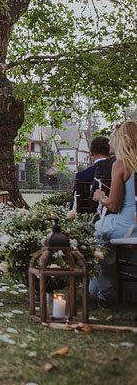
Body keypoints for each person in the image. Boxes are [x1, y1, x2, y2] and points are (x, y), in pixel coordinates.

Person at [90, 121, 137, 301]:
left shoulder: (122, 164)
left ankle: (105, 292)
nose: (110, 143)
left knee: (99, 231)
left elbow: (114, 206)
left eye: (112, 138)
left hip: (127, 225)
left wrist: (101, 196)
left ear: (121, 140)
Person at [70, 136, 110, 213]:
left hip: (89, 215)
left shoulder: (81, 176)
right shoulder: (118, 172)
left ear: (91, 154)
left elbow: (76, 204)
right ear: (110, 152)